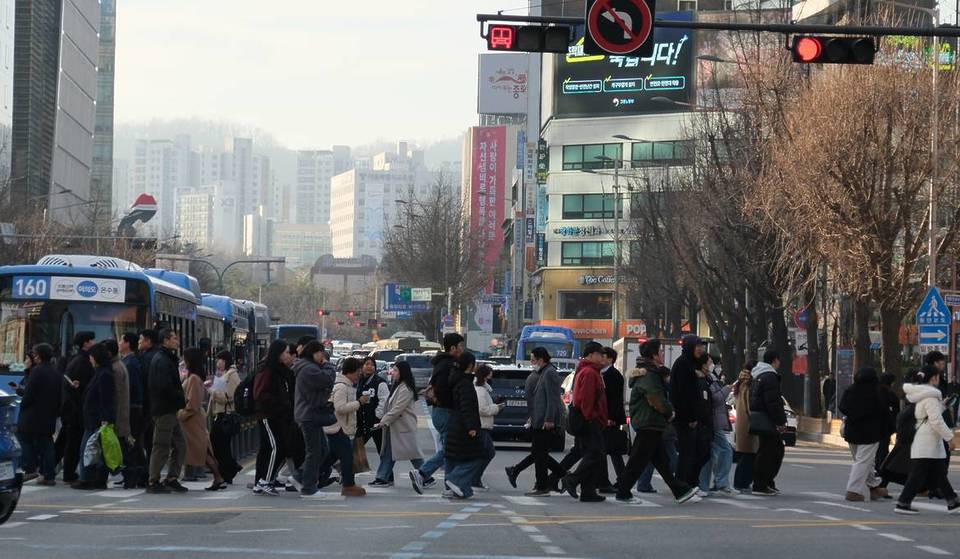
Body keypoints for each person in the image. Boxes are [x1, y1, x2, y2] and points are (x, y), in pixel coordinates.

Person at [615, 339, 700, 504]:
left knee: (661, 462)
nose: (662, 354)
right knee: (637, 461)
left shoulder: (650, 372)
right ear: (654, 356)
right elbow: (655, 398)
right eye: (660, 352)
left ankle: (680, 490)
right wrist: (669, 412)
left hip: (652, 422)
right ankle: (623, 492)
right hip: (648, 422)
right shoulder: (649, 374)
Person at [895, 366, 960, 515]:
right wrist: (950, 438)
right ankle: (903, 502)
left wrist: (942, 406)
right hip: (928, 442)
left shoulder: (922, 395)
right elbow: (936, 421)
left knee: (938, 474)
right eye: (938, 377)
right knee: (919, 475)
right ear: (933, 378)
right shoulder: (931, 397)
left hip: (926, 441)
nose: (939, 379)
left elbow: (926, 414)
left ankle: (953, 501)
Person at [506, 347, 565, 496]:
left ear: (541, 360)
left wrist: (549, 419)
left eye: (533, 360)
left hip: (545, 421)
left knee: (540, 455)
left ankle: (544, 485)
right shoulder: (544, 372)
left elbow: (552, 399)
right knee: (539, 454)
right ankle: (560, 479)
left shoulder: (550, 372)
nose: (531, 363)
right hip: (539, 419)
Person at [410, 332, 465, 494]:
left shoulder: (443, 363)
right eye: (460, 346)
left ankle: (449, 485)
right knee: (450, 450)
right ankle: (422, 473)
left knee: (450, 450)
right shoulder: (448, 365)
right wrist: (453, 402)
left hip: (442, 411)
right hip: (445, 411)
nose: (462, 349)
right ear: (453, 348)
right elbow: (442, 390)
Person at [561, 342, 609, 503]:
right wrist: (592, 417)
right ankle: (572, 479)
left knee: (592, 454)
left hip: (590, 419)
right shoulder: (589, 372)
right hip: (589, 420)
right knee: (596, 454)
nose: (603, 357)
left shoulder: (592, 371)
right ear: (591, 355)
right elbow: (585, 399)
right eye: (600, 354)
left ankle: (588, 491)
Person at [146, 329, 188, 494]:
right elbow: (164, 387)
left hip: (170, 409)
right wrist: (179, 396)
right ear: (165, 340)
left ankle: (172, 478)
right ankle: (153, 480)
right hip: (164, 409)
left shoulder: (167, 358)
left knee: (180, 444)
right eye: (174, 338)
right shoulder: (162, 360)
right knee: (161, 445)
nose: (177, 341)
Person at [318, 357, 368, 497]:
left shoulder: (347, 386)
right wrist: (359, 403)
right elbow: (340, 408)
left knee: (330, 457)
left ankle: (307, 477)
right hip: (338, 427)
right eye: (358, 372)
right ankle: (348, 485)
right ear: (350, 371)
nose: (359, 375)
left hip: (339, 427)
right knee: (347, 456)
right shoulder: (341, 387)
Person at [179, 348, 226, 491]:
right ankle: (218, 477)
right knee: (203, 449)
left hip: (192, 420)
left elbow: (192, 404)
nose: (183, 361)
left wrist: (180, 414)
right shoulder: (193, 377)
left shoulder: (194, 378)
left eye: (185, 359)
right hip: (192, 420)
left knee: (202, 449)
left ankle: (218, 477)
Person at [837, 367, 887, 501]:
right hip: (870, 433)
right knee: (863, 461)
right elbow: (882, 411)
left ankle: (872, 486)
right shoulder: (875, 392)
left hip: (852, 431)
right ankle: (854, 490)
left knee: (864, 461)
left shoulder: (850, 390)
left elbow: (842, 407)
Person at [293, 340, 334, 497]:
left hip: (309, 414)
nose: (322, 356)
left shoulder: (307, 367)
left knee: (323, 450)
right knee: (314, 452)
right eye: (321, 353)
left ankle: (299, 477)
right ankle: (308, 487)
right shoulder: (309, 369)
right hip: (309, 415)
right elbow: (327, 379)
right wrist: (328, 365)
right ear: (313, 353)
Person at [253, 340, 295, 495]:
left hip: (279, 415)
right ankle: (265, 480)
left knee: (270, 448)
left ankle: (261, 482)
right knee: (276, 447)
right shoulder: (267, 370)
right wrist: (280, 403)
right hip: (268, 414)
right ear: (278, 353)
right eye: (285, 352)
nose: (288, 355)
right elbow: (260, 394)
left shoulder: (281, 370)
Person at [16, 344, 61, 486]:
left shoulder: (37, 371)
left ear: (39, 356)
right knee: (47, 444)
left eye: (35, 355)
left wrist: (23, 405)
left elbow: (29, 394)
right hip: (49, 415)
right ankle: (49, 475)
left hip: (32, 415)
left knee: (24, 439)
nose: (34, 357)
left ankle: (29, 469)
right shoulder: (55, 372)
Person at [73, 343, 116, 490]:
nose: (90, 359)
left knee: (88, 449)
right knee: (93, 450)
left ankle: (87, 479)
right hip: (92, 419)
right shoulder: (100, 373)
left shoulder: (105, 375)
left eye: (91, 357)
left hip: (97, 420)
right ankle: (92, 478)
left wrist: (105, 420)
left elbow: (106, 399)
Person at [373, 362, 423, 487]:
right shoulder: (399, 386)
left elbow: (397, 409)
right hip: (396, 426)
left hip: (403, 426)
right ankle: (382, 477)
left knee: (412, 454)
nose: (392, 373)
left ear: (402, 372)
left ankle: (426, 476)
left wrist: (383, 421)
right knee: (389, 453)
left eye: (395, 370)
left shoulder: (406, 388)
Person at [442, 352, 484, 499]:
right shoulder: (465, 383)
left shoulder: (456, 379)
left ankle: (458, 489)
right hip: (463, 426)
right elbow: (467, 406)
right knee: (477, 457)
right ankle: (454, 480)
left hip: (455, 424)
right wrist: (472, 427)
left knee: (454, 457)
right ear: (470, 365)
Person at [58, 331, 96, 483]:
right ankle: (68, 473)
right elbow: (82, 387)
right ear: (85, 343)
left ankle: (49, 470)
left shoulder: (76, 360)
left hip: (71, 409)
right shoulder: (83, 362)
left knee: (66, 442)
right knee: (73, 443)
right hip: (76, 410)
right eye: (92, 340)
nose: (94, 343)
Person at [671, 335, 707, 490]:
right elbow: (684, 394)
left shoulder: (689, 363)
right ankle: (681, 486)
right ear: (690, 347)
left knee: (692, 452)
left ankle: (686, 484)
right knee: (686, 454)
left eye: (701, 346)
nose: (700, 349)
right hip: (684, 418)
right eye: (697, 346)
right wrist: (690, 417)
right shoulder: (683, 364)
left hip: (688, 417)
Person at [750, 350, 786, 496]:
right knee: (771, 452)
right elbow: (773, 402)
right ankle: (760, 484)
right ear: (775, 360)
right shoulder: (770, 376)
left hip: (761, 418)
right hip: (767, 419)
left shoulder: (759, 375)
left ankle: (766, 482)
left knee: (768, 450)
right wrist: (780, 421)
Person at [700, 355, 733, 495]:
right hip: (712, 421)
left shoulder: (710, 377)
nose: (713, 364)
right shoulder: (706, 379)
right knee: (725, 450)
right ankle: (720, 482)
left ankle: (704, 485)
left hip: (713, 420)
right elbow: (716, 398)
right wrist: (727, 389)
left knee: (710, 454)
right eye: (710, 362)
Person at [207, 350, 242, 484]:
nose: (218, 362)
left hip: (226, 415)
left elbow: (229, 396)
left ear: (226, 361)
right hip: (219, 414)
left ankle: (229, 469)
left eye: (220, 360)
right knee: (220, 445)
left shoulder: (232, 375)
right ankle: (229, 469)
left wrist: (211, 390)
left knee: (219, 443)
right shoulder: (223, 374)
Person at [598, 347, 628, 494]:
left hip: (611, 419)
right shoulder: (602, 373)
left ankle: (622, 480)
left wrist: (611, 417)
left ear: (610, 359)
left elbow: (615, 400)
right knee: (607, 451)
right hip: (604, 418)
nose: (600, 359)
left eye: (603, 356)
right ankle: (617, 480)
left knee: (613, 451)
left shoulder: (614, 375)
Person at [119, 333, 147, 488]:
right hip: (134, 406)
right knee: (133, 443)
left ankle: (136, 474)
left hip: (132, 407)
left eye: (121, 340)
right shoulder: (129, 361)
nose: (119, 343)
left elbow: (130, 388)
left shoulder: (130, 363)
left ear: (128, 344)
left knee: (131, 442)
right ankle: (139, 474)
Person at [472, 364, 504, 491]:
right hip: (481, 426)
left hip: (484, 425)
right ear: (485, 376)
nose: (491, 378)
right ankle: (474, 478)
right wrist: (497, 408)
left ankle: (475, 478)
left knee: (487, 453)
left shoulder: (484, 389)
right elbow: (482, 409)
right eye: (490, 375)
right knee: (486, 453)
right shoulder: (480, 390)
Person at [731, 363, 758, 493]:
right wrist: (754, 419)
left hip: (741, 423)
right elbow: (749, 407)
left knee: (744, 456)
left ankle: (741, 483)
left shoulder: (740, 382)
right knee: (748, 456)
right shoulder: (748, 384)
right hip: (748, 424)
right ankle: (742, 483)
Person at [357, 356, 389, 454]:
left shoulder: (380, 382)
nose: (369, 367)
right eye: (367, 364)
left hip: (376, 423)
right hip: (362, 423)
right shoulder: (359, 381)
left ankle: (385, 465)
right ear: (362, 366)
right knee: (356, 449)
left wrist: (377, 416)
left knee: (382, 450)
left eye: (372, 365)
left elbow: (384, 401)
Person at [875, 372, 900, 493]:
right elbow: (896, 413)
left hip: (874, 430)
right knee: (883, 456)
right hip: (885, 430)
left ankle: (877, 484)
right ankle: (880, 484)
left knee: (877, 456)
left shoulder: (874, 393)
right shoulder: (890, 396)